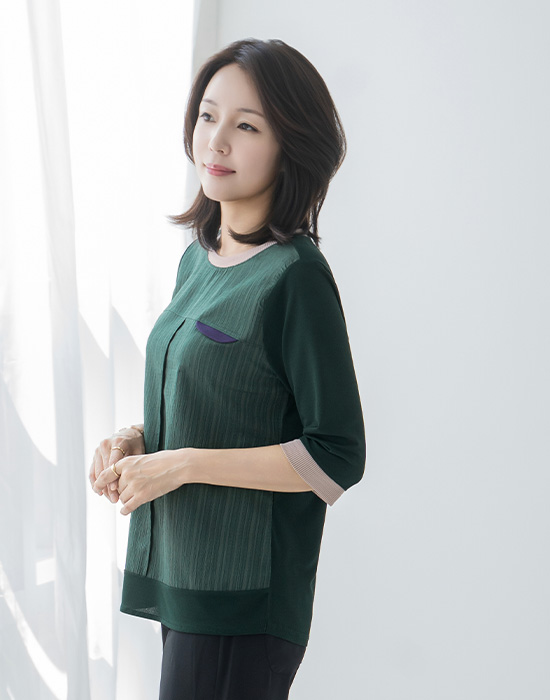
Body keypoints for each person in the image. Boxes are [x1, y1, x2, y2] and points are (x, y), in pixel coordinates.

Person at [90, 37, 366, 700]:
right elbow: (224, 399)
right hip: (186, 581)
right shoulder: (198, 259)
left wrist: (181, 465)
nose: (215, 140)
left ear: (290, 146)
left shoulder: (296, 278)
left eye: (246, 126)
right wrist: (138, 440)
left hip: (243, 602)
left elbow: (336, 454)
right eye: (209, 116)